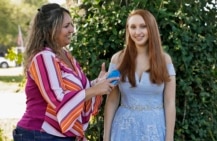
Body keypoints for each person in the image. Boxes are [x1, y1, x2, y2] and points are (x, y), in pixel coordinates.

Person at [12, 3, 118, 141]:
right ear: (51, 29)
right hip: (39, 134)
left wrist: (99, 83)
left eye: (72, 25)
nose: (72, 30)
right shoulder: (43, 57)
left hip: (58, 135)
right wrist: (95, 90)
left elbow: (77, 91)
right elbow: (59, 99)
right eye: (66, 26)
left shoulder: (66, 56)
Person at [103, 9, 176, 141]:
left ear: (151, 29)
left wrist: (169, 138)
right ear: (128, 30)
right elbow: (112, 100)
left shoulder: (165, 60)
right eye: (133, 27)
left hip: (154, 129)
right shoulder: (118, 59)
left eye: (143, 26)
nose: (137, 32)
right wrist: (106, 137)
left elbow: (170, 102)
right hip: (123, 130)